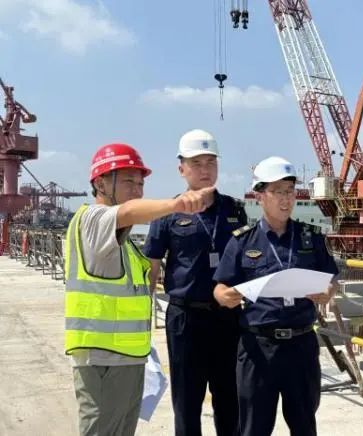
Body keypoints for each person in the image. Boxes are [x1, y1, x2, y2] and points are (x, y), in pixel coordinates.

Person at [64, 143, 214, 436]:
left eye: (141, 184)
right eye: (128, 181)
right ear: (100, 183)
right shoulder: (92, 219)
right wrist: (177, 204)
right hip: (102, 360)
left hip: (127, 357)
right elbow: (130, 211)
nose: (137, 190)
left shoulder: (122, 241)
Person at [213, 156, 339, 436]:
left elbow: (331, 280)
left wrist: (328, 291)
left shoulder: (311, 237)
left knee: (304, 425)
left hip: (301, 346)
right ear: (260, 196)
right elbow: (219, 289)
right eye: (278, 191)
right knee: (253, 428)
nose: (286, 199)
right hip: (258, 348)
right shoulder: (242, 241)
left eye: (290, 191)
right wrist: (227, 296)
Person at [143, 129, 246, 436]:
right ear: (182, 169)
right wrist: (141, 322)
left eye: (211, 162)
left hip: (228, 318)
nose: (205, 170)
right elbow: (151, 270)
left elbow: (246, 261)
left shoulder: (234, 210)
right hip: (185, 320)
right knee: (187, 403)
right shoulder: (167, 213)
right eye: (197, 163)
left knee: (230, 400)